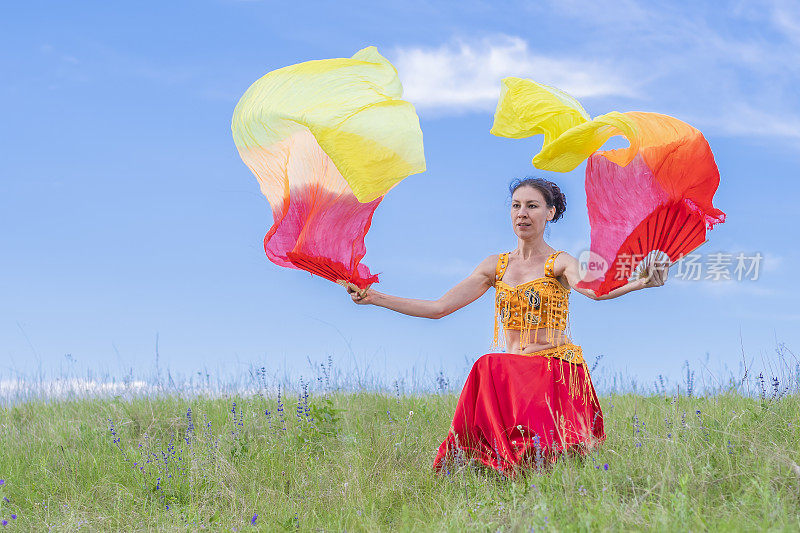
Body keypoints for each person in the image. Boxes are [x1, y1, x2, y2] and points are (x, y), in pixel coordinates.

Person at [345, 177, 669, 477]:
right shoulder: (494, 267)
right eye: (516, 205)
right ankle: (477, 463)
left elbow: (595, 291)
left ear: (550, 213)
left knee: (489, 366)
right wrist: (374, 297)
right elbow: (438, 308)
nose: (522, 213)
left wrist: (641, 282)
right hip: (513, 377)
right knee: (491, 366)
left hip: (553, 370)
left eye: (532, 206)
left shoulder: (560, 262)